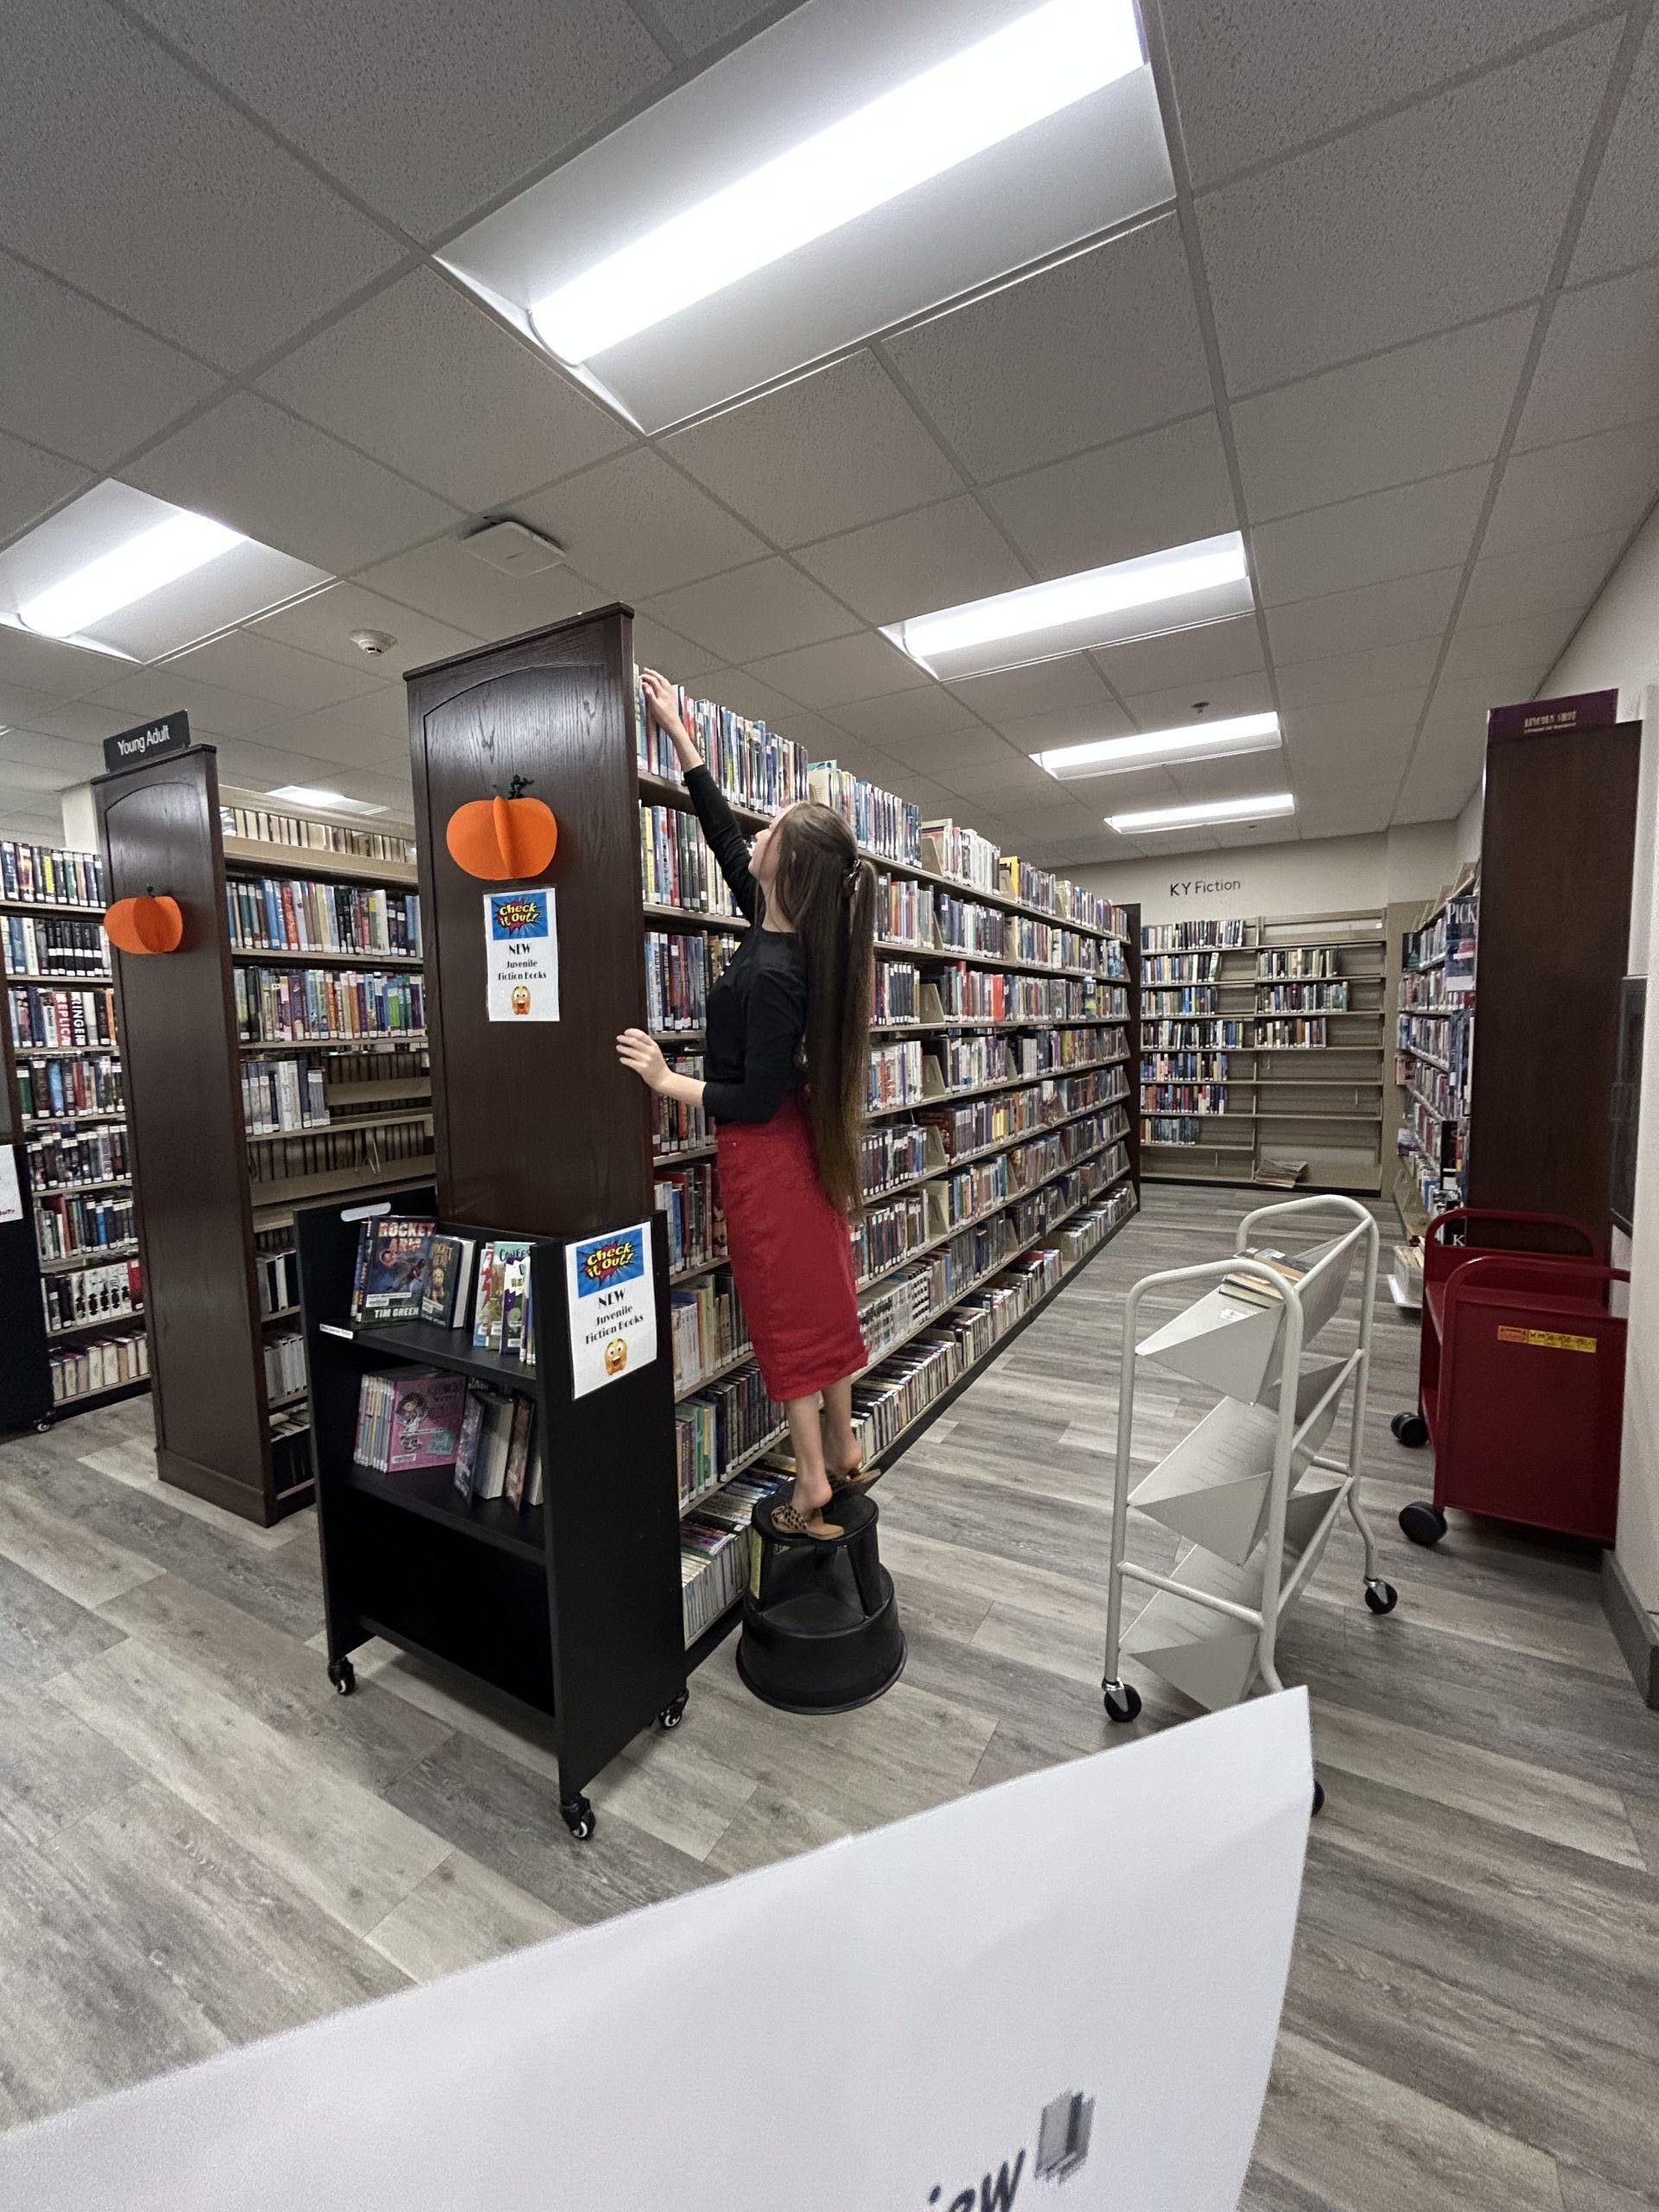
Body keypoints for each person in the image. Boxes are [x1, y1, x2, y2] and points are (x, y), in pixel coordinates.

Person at [617, 671, 876, 1540]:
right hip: (797, 1144)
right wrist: (679, 733)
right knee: (822, 1294)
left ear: (788, 869)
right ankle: (842, 1443)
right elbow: (723, 832)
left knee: (784, 1311)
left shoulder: (772, 973)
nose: (757, 835)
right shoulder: (780, 928)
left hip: (766, 1152)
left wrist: (667, 1082)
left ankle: (811, 1481)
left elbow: (755, 1097)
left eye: (774, 833)